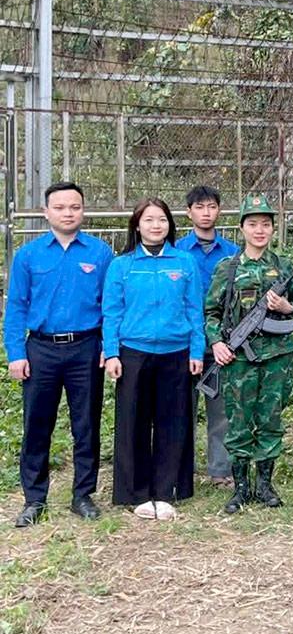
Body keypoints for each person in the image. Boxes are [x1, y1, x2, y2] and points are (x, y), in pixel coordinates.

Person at [4, 182, 113, 527]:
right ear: (46, 212)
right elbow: (16, 309)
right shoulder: (29, 255)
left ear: (83, 210)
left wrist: (109, 348)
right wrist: (15, 353)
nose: (68, 213)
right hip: (41, 351)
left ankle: (83, 495)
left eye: (75, 207)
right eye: (61, 207)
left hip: (86, 348)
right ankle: (34, 499)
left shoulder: (100, 253)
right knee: (37, 425)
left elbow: (110, 307)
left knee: (86, 424)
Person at [204, 194, 293, 514]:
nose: (259, 230)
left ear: (273, 229)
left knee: (270, 420)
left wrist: (286, 307)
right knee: (238, 423)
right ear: (241, 228)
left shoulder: (283, 267)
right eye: (253, 224)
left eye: (265, 224)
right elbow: (210, 312)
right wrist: (217, 343)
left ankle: (264, 484)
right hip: (238, 360)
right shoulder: (228, 268)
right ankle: (240, 488)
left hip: (277, 357)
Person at [102, 198, 205, 520]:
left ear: (170, 226)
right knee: (133, 422)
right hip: (134, 352)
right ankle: (137, 492)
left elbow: (194, 310)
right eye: (148, 220)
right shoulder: (122, 265)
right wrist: (112, 352)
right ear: (137, 225)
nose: (155, 225)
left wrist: (197, 350)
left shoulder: (184, 262)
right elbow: (112, 312)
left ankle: (168, 490)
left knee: (172, 422)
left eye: (161, 220)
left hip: (176, 352)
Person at [176, 185, 239, 486]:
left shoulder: (232, 254)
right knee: (180, 409)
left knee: (220, 410)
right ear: (189, 212)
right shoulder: (175, 252)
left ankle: (220, 470)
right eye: (199, 207)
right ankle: (180, 469)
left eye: (211, 206)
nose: (206, 213)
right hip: (184, 342)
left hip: (220, 344)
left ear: (219, 211)